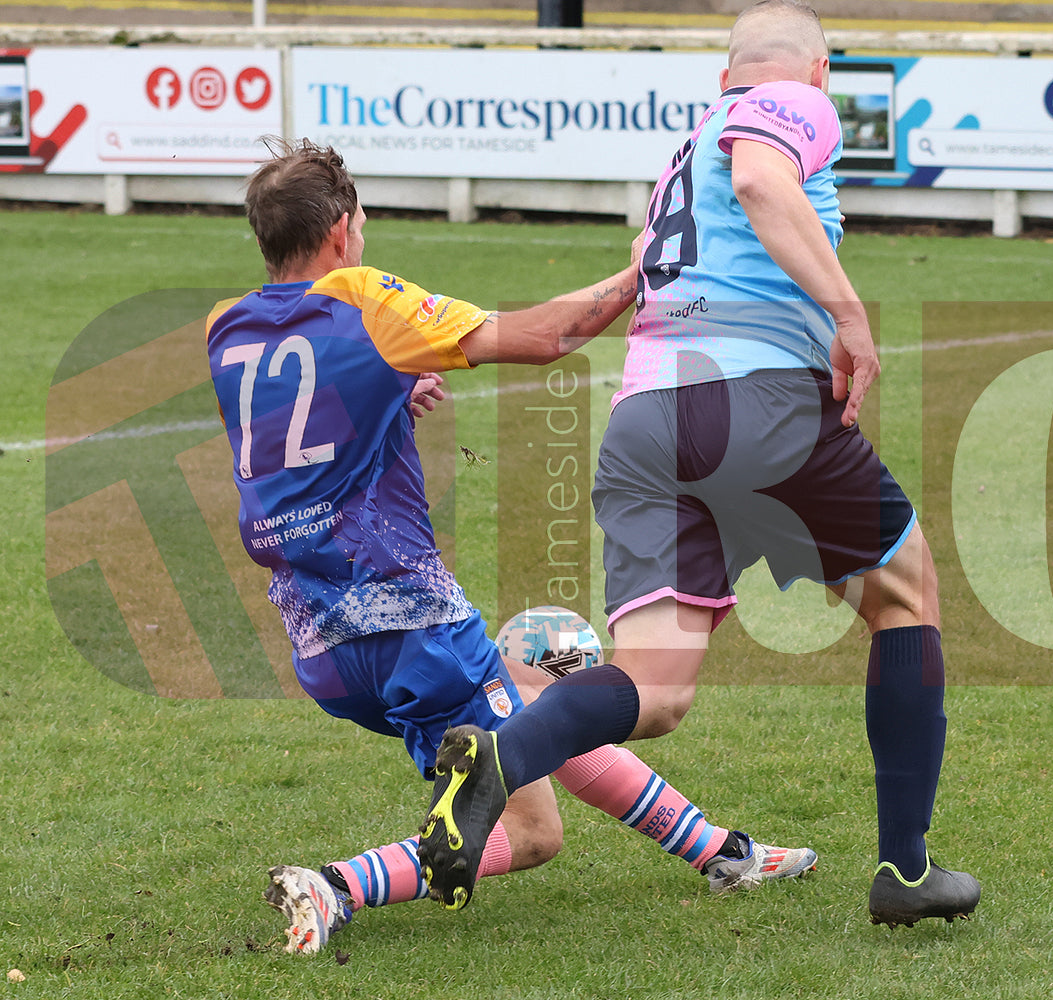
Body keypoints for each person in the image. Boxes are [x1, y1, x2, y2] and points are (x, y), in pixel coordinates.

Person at [416, 0, 980, 929]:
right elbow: (763, 182)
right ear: (818, 72)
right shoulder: (792, 104)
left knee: (657, 687)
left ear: (722, 78)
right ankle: (908, 876)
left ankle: (502, 759)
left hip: (645, 424)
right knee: (904, 597)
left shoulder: (680, 162)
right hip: (752, 397)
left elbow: (645, 272)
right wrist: (848, 314)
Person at [205, 138, 817, 955]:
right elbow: (546, 336)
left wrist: (394, 386)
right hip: (411, 624)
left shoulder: (226, 327)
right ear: (344, 231)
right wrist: (645, 269)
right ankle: (341, 884)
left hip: (318, 642)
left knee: (534, 705)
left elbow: (302, 415)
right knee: (530, 831)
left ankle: (723, 853)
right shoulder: (361, 300)